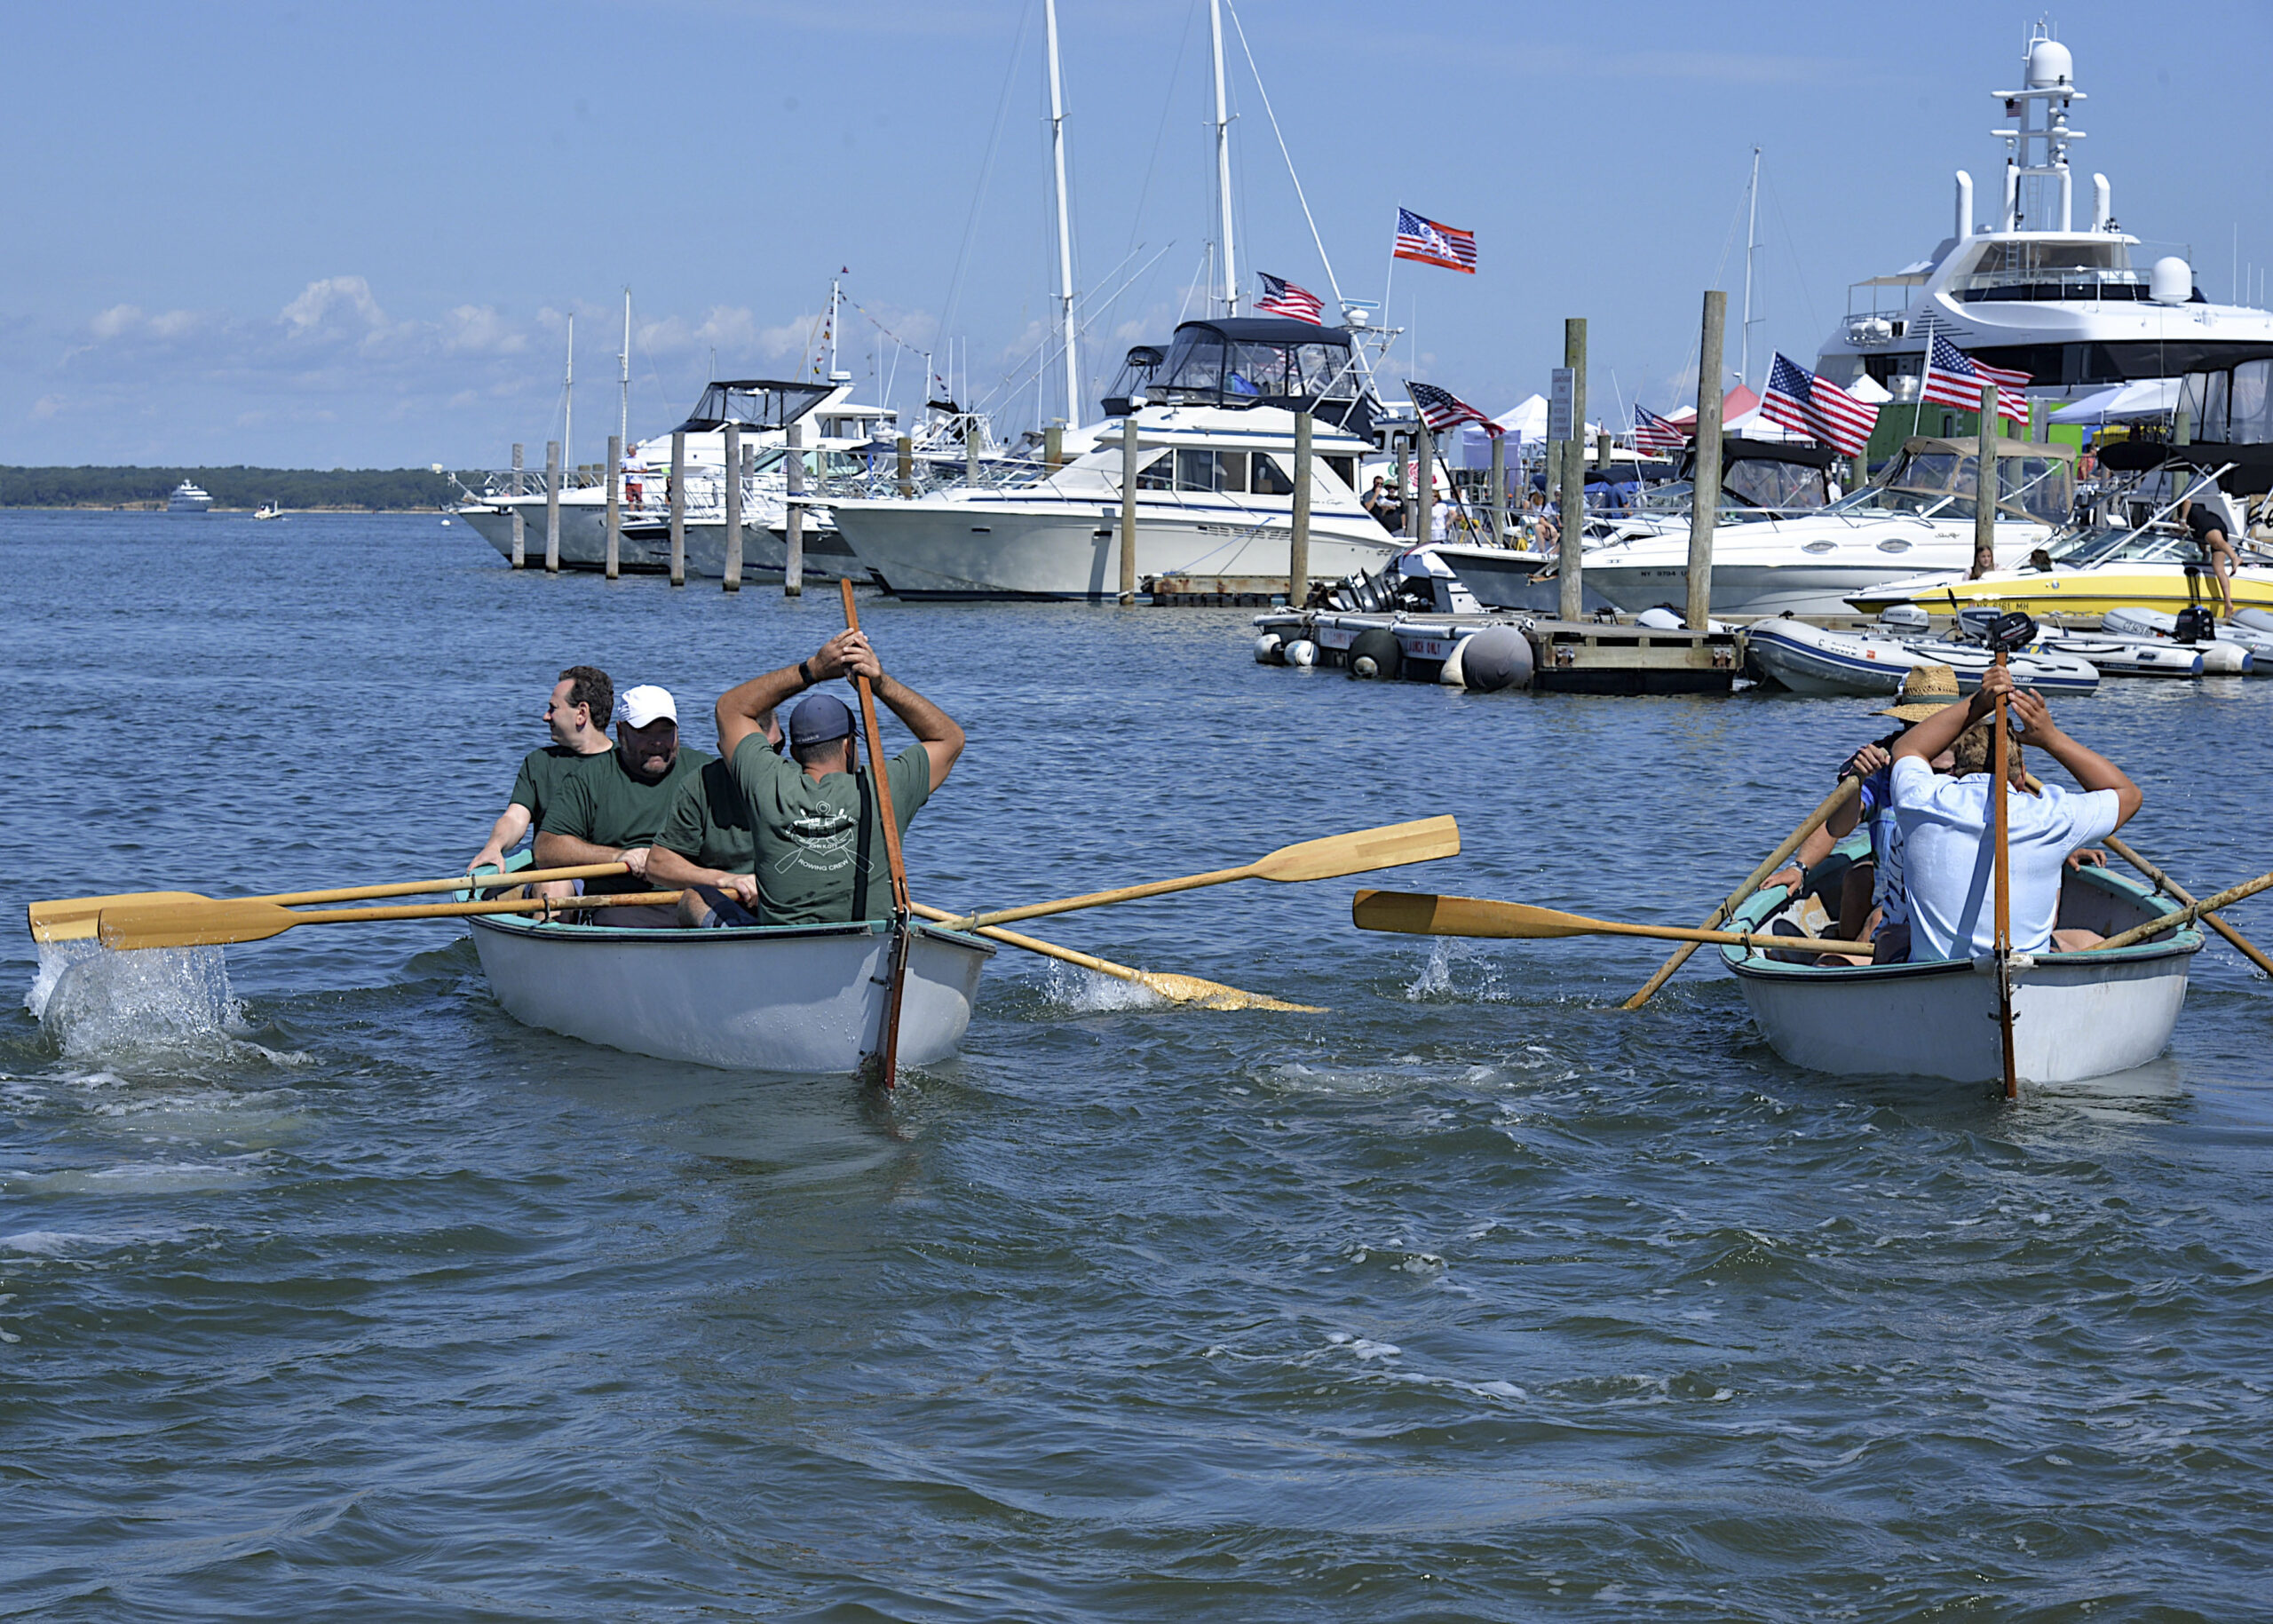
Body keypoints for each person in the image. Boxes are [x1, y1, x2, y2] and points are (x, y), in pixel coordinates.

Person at [712, 630, 963, 927]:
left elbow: (730, 708)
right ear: (848, 746)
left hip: (782, 945)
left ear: (794, 752)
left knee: (697, 898)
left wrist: (813, 670)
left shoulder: (768, 782)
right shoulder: (883, 788)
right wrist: (880, 683)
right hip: (868, 943)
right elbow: (950, 738)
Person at [1889, 664, 2140, 962]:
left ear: (1956, 770)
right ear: (2022, 775)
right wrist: (2051, 739)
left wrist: (1979, 703)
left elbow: (1906, 749)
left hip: (1936, 978)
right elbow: (2128, 795)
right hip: (2026, 976)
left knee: (1890, 940)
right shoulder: (2052, 815)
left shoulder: (1921, 799)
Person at [533, 684, 713, 927]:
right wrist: (618, 857)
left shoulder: (706, 772)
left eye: (665, 732)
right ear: (620, 731)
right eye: (644, 732)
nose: (657, 743)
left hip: (693, 898)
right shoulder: (591, 778)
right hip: (621, 904)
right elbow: (546, 848)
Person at [469, 665, 614, 895]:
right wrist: (494, 846)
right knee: (553, 886)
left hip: (614, 874)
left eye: (553, 708)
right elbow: (515, 818)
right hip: (555, 877)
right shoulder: (539, 762)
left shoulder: (626, 763)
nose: (545, 716)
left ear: (581, 713)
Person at [645, 719, 770, 929]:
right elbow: (658, 865)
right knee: (693, 898)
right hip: (725, 903)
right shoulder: (699, 785)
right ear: (723, 749)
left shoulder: (799, 782)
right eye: (747, 755)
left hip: (787, 904)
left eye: (772, 750)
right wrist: (727, 880)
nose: (763, 762)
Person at [2177, 490, 2239, 615]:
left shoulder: (2182, 510)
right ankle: (2228, 603)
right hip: (2216, 523)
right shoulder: (2195, 531)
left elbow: (2187, 501)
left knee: (2218, 542)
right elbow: (2203, 546)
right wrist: (2204, 557)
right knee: (2219, 569)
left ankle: (2234, 557)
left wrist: (2182, 520)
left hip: (2208, 523)